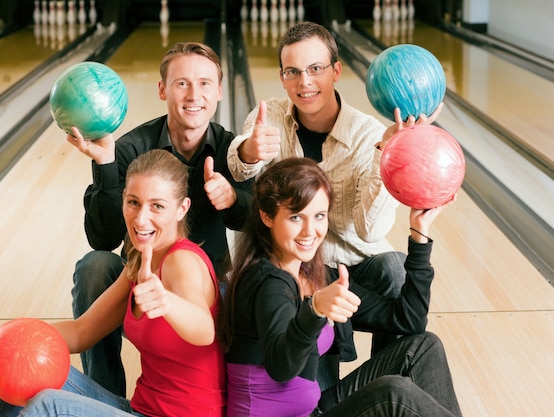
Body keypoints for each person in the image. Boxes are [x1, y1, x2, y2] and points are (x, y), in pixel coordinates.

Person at [226, 21, 444, 362]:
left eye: (316, 69)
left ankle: (385, 383)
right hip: (297, 266)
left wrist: (386, 154)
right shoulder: (267, 118)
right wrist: (248, 151)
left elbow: (370, 231)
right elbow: (241, 167)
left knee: (395, 268)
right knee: (322, 396)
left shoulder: (366, 134)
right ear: (282, 77)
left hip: (355, 265)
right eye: (293, 72)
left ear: (336, 71)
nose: (305, 82)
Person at [0, 149, 226, 417]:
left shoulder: (181, 261)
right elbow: (82, 332)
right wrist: (12, 341)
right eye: (133, 202)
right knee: (18, 367)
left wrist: (166, 300)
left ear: (182, 208)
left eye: (157, 206)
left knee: (46, 406)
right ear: (123, 199)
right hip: (139, 410)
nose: (140, 218)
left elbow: (205, 330)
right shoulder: (139, 265)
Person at [67, 42, 253, 396]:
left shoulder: (233, 150)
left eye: (204, 83)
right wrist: (106, 165)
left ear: (218, 90)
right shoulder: (129, 149)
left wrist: (231, 199)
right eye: (182, 83)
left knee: (252, 289)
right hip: (141, 278)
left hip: (208, 288)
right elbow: (102, 238)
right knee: (94, 266)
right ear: (162, 89)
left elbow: (255, 222)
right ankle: (105, 395)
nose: (193, 94)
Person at [218, 157, 461, 417]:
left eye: (319, 216)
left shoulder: (316, 275)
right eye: (296, 217)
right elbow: (282, 366)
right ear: (267, 216)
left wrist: (419, 235)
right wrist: (314, 310)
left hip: (314, 410)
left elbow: (409, 320)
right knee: (393, 393)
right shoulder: (267, 281)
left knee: (423, 347)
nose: (310, 231)